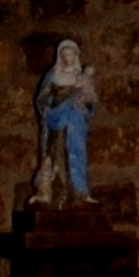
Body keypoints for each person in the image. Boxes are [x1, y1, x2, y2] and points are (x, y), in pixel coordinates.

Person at [34, 37, 99, 202]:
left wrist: (86, 103)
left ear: (76, 56)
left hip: (75, 122)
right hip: (58, 122)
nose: (67, 58)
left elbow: (90, 102)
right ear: (60, 56)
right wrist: (49, 110)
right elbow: (42, 99)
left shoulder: (81, 77)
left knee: (77, 153)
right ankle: (59, 191)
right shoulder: (52, 76)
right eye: (64, 55)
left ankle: (79, 192)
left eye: (70, 55)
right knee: (58, 155)